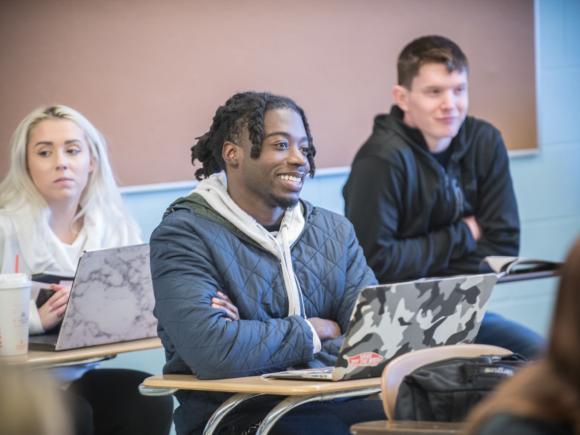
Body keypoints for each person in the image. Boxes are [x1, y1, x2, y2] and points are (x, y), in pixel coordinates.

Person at [150, 91, 386, 435]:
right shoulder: (183, 235)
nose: (299, 159)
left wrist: (258, 339)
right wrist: (316, 329)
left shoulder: (334, 230)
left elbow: (373, 336)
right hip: (240, 412)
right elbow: (216, 352)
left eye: (303, 148)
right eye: (280, 146)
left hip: (335, 396)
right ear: (233, 154)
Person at [342, 35, 543, 359]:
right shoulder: (379, 160)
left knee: (544, 358)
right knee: (444, 388)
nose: (450, 103)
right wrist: (464, 234)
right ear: (403, 97)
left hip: (463, 307)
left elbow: (502, 245)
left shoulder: (485, 141)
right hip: (396, 320)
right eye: (434, 92)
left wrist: (425, 268)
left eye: (459, 90)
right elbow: (376, 263)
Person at [0, 105, 173, 435]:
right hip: (13, 386)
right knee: (70, 414)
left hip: (76, 376)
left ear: (91, 161)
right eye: (44, 152)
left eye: (73, 150)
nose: (61, 162)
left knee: (148, 398)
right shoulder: (5, 228)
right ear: (26, 165)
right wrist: (35, 321)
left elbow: (145, 305)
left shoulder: (115, 228)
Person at [466, 237, 580, 435]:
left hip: (466, 302)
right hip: (458, 307)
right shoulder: (519, 426)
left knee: (534, 347)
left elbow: (501, 241)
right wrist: (464, 232)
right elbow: (394, 258)